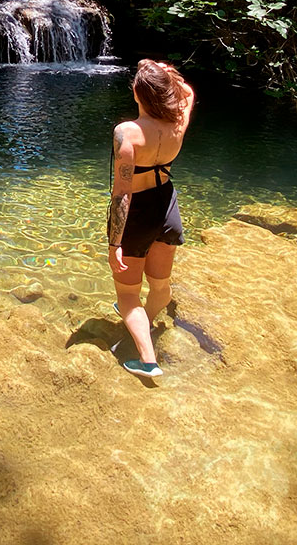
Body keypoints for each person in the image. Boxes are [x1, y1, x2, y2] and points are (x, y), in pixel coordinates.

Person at [107, 59, 195, 379]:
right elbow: (186, 92)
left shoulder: (127, 133)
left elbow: (122, 195)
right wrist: (166, 73)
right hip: (167, 205)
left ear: (137, 94)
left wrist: (115, 242)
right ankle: (148, 319)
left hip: (139, 212)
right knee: (160, 284)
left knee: (127, 296)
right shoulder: (177, 123)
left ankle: (147, 360)